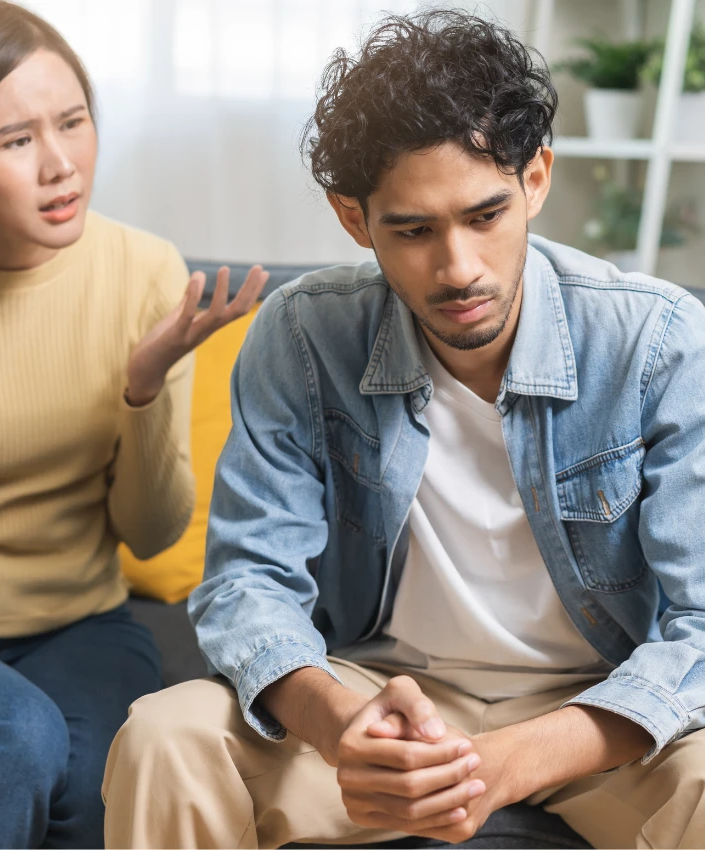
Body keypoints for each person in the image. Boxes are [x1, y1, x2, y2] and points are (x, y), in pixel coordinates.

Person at [102, 9, 705, 849]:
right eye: (414, 231)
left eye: (484, 216)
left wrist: (512, 761)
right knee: (166, 738)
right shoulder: (303, 337)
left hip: (593, 714)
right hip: (380, 699)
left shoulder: (659, 343)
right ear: (354, 220)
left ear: (537, 179)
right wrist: (342, 724)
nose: (458, 268)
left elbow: (701, 629)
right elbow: (249, 584)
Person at [0, 1, 266, 847]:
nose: (61, 165)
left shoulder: (144, 271)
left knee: (105, 777)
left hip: (80, 623)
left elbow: (150, 537)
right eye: (15, 141)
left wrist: (144, 391)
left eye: (73, 123)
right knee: (8, 734)